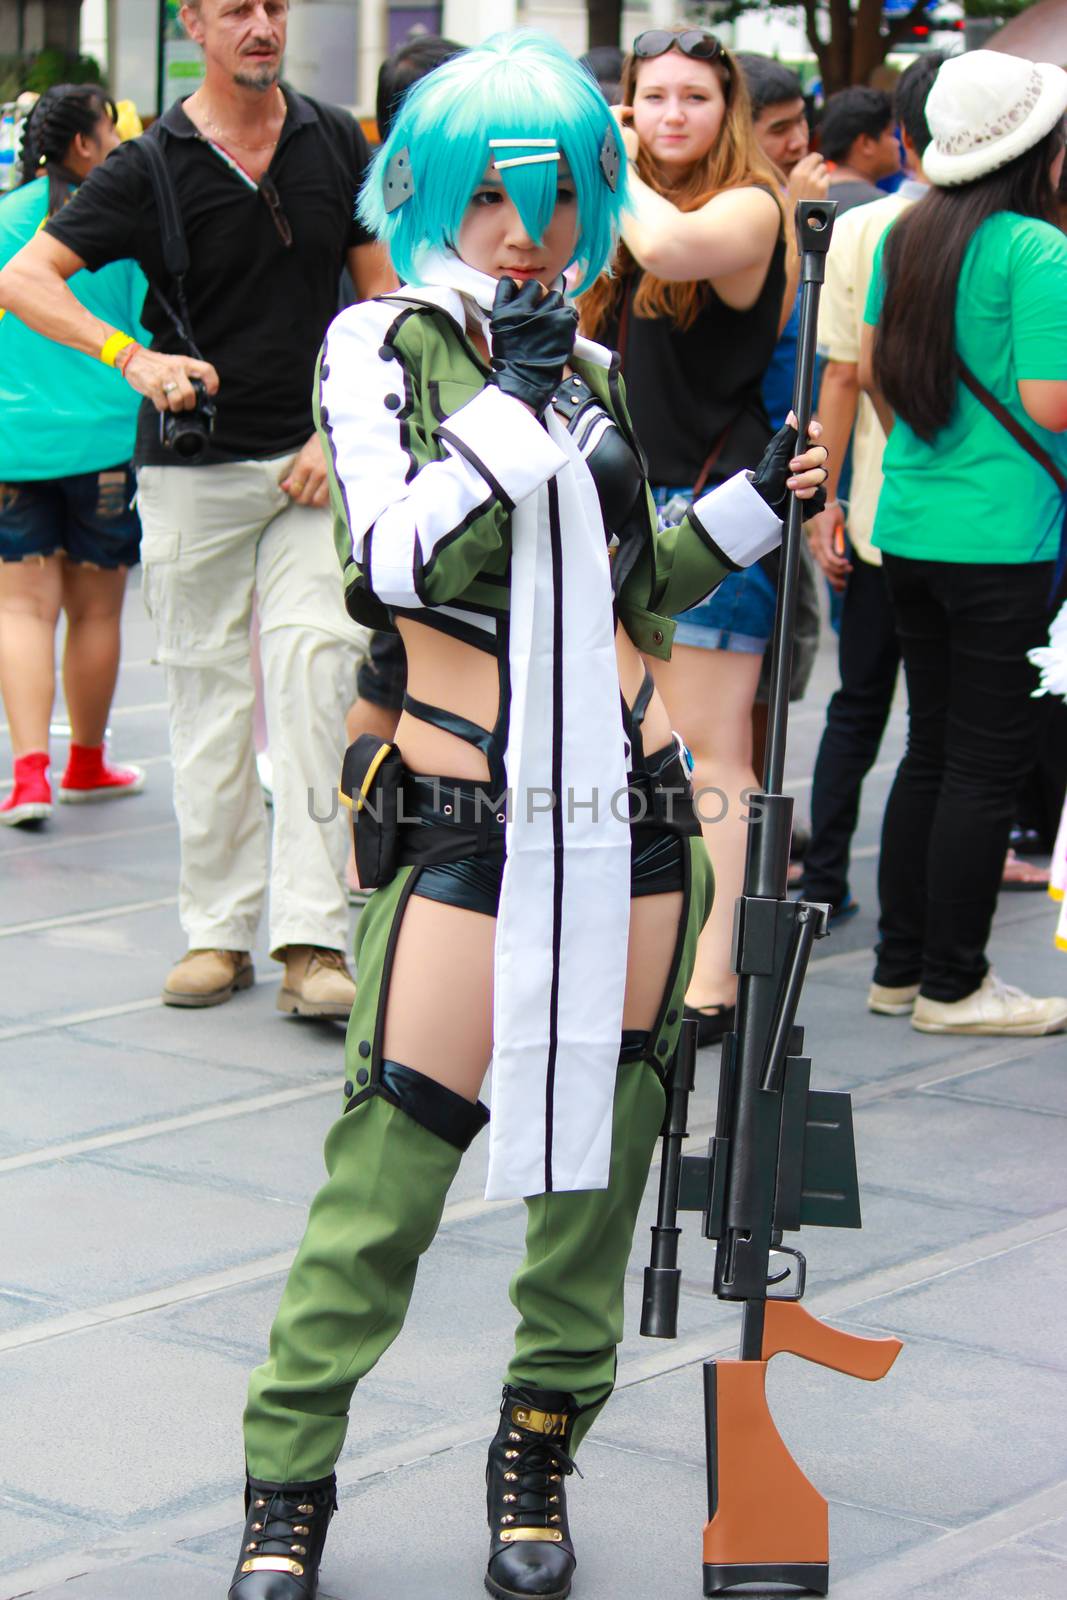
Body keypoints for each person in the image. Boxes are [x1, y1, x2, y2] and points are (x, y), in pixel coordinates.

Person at [225, 32, 827, 1600]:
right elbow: (400, 558)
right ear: (423, 192)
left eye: (554, 198)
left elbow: (636, 596)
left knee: (596, 1177)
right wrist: (522, 398)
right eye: (490, 196)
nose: (522, 232)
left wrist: (761, 497)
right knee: (387, 1177)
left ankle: (533, 1466)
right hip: (465, 820)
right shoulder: (380, 344)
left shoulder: (604, 369)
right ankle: (287, 1490)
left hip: (624, 820)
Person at [0, 0, 393, 1017]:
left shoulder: (331, 140)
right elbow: (24, 278)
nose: (259, 25)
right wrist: (128, 357)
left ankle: (313, 938)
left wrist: (335, 432)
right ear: (197, 26)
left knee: (315, 684)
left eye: (272, 7)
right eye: (236, 10)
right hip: (190, 472)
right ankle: (217, 930)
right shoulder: (149, 161)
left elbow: (382, 301)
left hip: (315, 465)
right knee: (205, 702)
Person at [580, 26, 821, 1047]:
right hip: (630, 508)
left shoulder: (747, 205)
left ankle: (715, 975)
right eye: (652, 97)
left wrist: (602, 146)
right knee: (645, 746)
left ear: (726, 112)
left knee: (712, 751)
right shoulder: (636, 208)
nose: (671, 115)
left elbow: (673, 251)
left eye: (692, 97)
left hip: (716, 509)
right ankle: (671, 951)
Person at [862, 49, 1067, 1035]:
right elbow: (1049, 402)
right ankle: (954, 984)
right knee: (984, 764)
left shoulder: (903, 236)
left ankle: (898, 970)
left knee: (929, 750)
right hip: (1002, 539)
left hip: (908, 524)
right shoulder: (1037, 251)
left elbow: (871, 372)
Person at [800, 53, 944, 920]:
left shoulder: (862, 228)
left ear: (901, 134)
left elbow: (841, 379)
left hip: (873, 509)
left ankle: (821, 885)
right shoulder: (1006, 232)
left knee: (856, 703)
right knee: (939, 726)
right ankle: (919, 911)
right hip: (965, 522)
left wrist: (827, 503)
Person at [0, 85, 147, 829]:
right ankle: (86, 761)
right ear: (83, 144)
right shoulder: (120, 220)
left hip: (13, 445)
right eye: (111, 132)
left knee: (21, 609)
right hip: (107, 441)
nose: (122, 145)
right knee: (96, 611)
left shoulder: (3, 222)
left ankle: (29, 778)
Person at [342, 32, 465, 835]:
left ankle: (369, 842)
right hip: (421, 478)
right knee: (394, 679)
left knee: (390, 677)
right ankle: (373, 843)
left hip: (431, 474)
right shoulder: (407, 206)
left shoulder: (414, 192)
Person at [819, 85, 901, 212]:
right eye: (890, 134)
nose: (897, 143)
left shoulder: (812, 202)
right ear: (866, 143)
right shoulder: (883, 209)